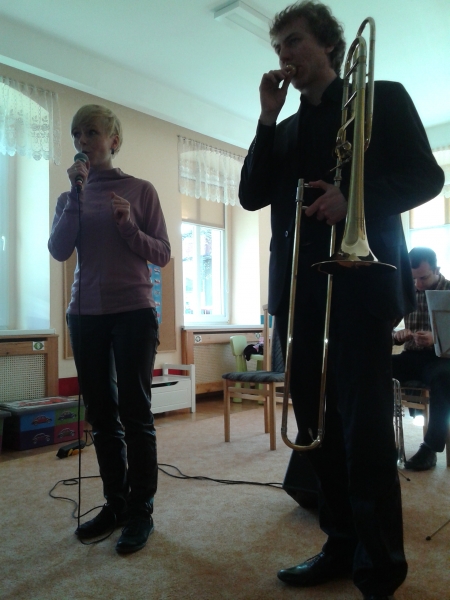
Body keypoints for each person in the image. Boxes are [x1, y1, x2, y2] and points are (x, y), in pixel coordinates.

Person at [239, 2, 444, 598]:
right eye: (278, 47)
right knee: (315, 429)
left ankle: (381, 565)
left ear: (328, 44)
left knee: (365, 431)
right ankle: (340, 542)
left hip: (360, 287)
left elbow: (427, 177)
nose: (285, 55)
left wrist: (354, 199)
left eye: (294, 41)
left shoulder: (383, 97)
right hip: (298, 294)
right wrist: (265, 119)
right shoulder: (285, 128)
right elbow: (250, 195)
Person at [48, 104, 170, 554]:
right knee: (101, 417)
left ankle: (141, 512)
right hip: (85, 315)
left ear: (114, 141)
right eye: (77, 134)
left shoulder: (140, 190)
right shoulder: (71, 197)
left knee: (135, 414)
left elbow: (162, 254)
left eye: (92, 133)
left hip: (133, 311)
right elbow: (59, 250)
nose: (82, 141)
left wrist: (130, 228)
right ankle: (115, 504)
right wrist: (74, 197)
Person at [392, 247, 450, 471]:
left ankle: (430, 448)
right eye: (413, 279)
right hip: (412, 356)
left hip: (442, 358)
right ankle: (380, 439)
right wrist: (396, 335)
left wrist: (436, 338)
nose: (417, 284)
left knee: (444, 378)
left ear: (437, 270)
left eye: (423, 278)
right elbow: (386, 328)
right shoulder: (406, 291)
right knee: (376, 369)